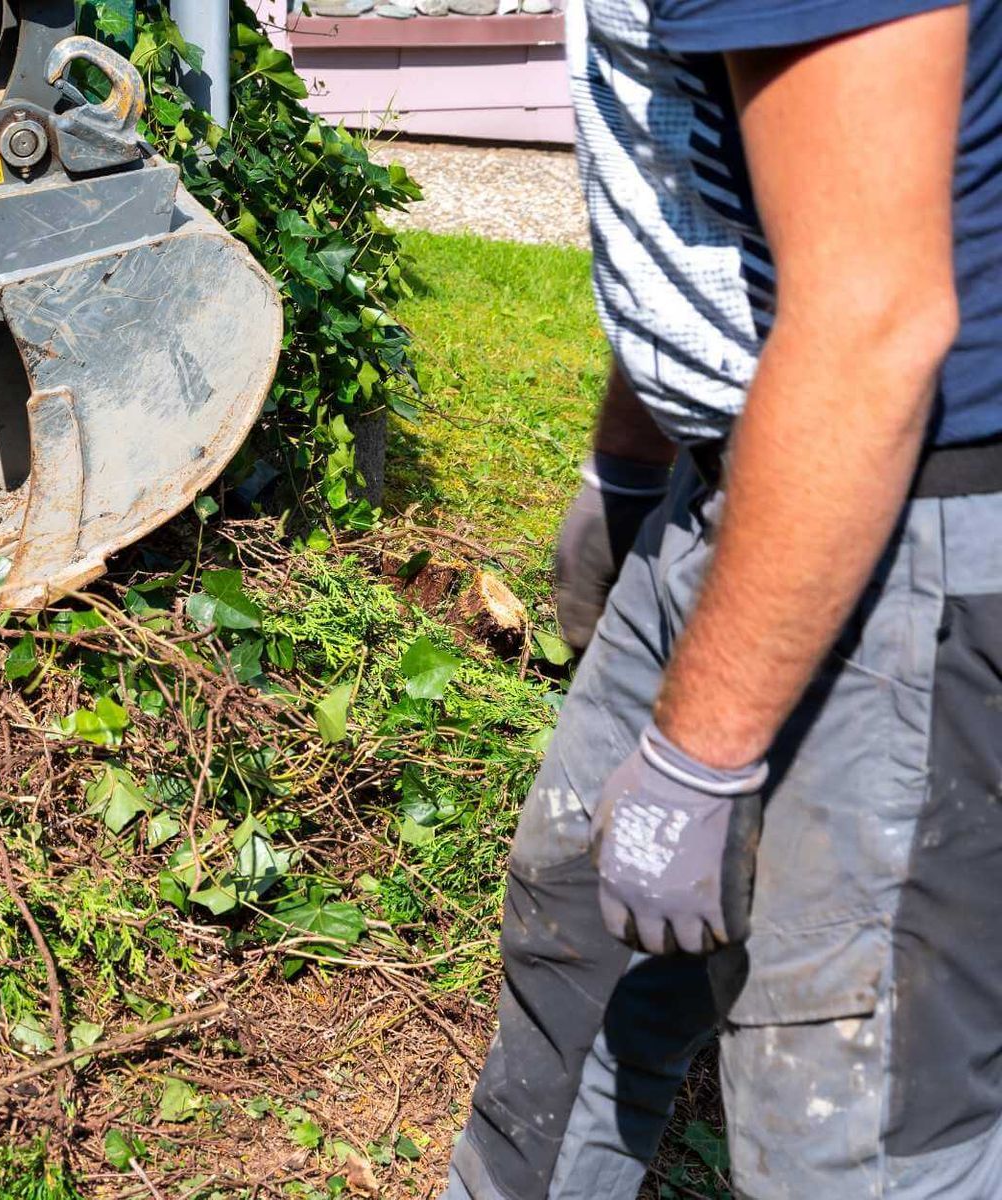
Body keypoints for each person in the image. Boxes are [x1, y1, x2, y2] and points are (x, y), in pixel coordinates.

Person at [442, 0, 1002, 1195]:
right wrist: (631, 459)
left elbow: (875, 321)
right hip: (750, 474)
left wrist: (701, 758)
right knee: (575, 954)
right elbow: (703, 190)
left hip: (902, 514)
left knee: (848, 1130)